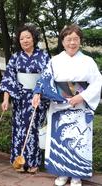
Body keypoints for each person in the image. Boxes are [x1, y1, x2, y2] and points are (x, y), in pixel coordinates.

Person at [32, 24, 102, 186]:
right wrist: (37, 93)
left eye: (76, 39)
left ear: (80, 41)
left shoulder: (88, 61)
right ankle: (62, 174)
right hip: (58, 106)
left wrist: (83, 96)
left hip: (80, 106)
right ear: (62, 42)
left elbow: (98, 82)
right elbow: (44, 80)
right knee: (60, 140)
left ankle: (76, 176)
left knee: (78, 140)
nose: (72, 43)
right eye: (68, 39)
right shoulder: (55, 60)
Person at [0, 24, 50, 173]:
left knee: (33, 129)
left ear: (34, 38)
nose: (25, 40)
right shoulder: (15, 57)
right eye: (22, 38)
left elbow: (47, 77)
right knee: (19, 129)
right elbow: (8, 79)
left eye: (28, 37)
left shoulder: (44, 56)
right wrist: (6, 99)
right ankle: (19, 161)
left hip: (38, 97)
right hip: (20, 99)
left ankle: (33, 162)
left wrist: (39, 92)